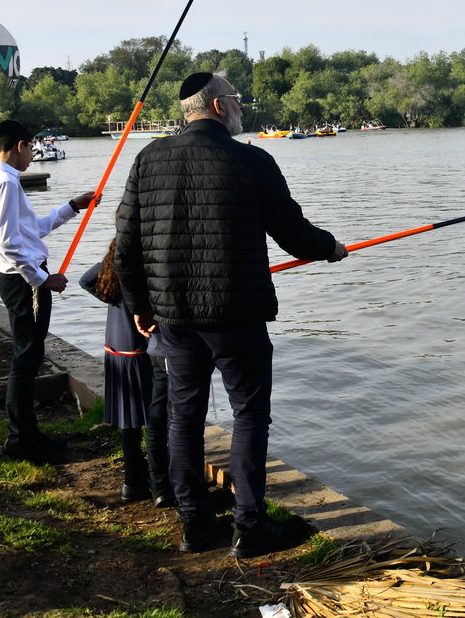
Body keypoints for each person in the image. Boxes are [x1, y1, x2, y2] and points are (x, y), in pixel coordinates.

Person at [114, 71, 348, 559]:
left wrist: (140, 305)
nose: (241, 108)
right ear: (219, 107)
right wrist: (331, 248)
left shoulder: (147, 157)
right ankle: (249, 527)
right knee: (249, 416)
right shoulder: (250, 160)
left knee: (184, 417)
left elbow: (127, 244)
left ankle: (195, 525)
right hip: (235, 315)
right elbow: (293, 232)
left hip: (172, 316)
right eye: (236, 100)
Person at [0, 119, 99, 462]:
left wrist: (72, 206)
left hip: (19, 277)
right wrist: (41, 279)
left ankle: (27, 433)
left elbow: (30, 231)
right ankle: (21, 439)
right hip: (22, 281)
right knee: (26, 358)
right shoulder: (4, 184)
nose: (32, 154)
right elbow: (8, 243)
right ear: (19, 145)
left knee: (28, 356)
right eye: (31, 147)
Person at [80, 238, 171, 507]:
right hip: (139, 350)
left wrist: (108, 297)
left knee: (128, 420)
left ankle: (132, 482)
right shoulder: (142, 268)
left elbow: (86, 279)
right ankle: (158, 480)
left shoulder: (110, 267)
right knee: (155, 417)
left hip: (114, 349)